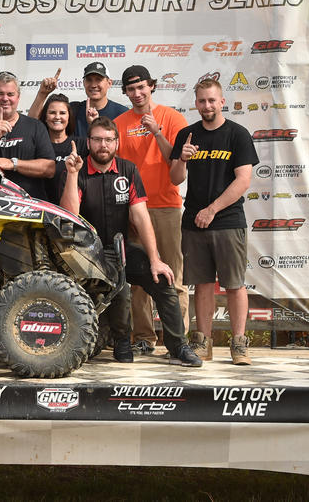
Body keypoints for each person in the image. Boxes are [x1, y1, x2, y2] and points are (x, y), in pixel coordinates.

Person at [60, 117, 202, 367]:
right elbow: (70, 214)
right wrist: (72, 174)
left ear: (117, 142)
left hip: (121, 249)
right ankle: (122, 342)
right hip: (88, 255)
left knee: (164, 280)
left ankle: (178, 345)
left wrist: (156, 259)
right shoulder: (77, 169)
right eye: (97, 140)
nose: (102, 145)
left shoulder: (128, 169)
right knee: (121, 287)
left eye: (108, 140)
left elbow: (141, 217)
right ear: (88, 142)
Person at [170, 79, 258, 365]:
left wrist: (212, 209)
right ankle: (202, 342)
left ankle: (239, 344)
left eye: (212, 100)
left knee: (234, 284)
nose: (207, 106)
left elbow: (243, 181)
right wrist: (181, 159)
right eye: (201, 101)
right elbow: (175, 179)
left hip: (228, 220)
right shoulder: (187, 134)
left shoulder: (238, 134)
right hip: (194, 221)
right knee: (202, 284)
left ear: (222, 102)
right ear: (195, 103)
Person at [114, 65, 189, 356]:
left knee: (175, 278)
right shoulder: (119, 122)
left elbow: (177, 168)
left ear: (152, 86)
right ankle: (144, 337)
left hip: (167, 206)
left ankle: (178, 342)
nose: (137, 93)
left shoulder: (172, 117)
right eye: (131, 89)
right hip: (133, 209)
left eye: (141, 87)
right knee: (138, 279)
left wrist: (157, 132)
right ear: (126, 92)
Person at [0, 71, 54, 200]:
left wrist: (14, 164)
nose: (5, 98)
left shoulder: (35, 126)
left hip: (29, 207)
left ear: (18, 97)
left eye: (10, 94)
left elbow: (49, 169)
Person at [28, 62, 128, 136]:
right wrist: (42, 94)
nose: (93, 85)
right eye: (89, 80)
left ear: (109, 83)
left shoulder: (122, 113)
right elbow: (32, 124)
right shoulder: (73, 109)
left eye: (98, 80)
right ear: (84, 83)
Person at [38, 93, 88, 205]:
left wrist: (93, 123)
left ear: (69, 117)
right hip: (43, 211)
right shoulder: (37, 146)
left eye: (62, 113)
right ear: (45, 117)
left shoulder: (82, 144)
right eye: (52, 112)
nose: (57, 117)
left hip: (74, 212)